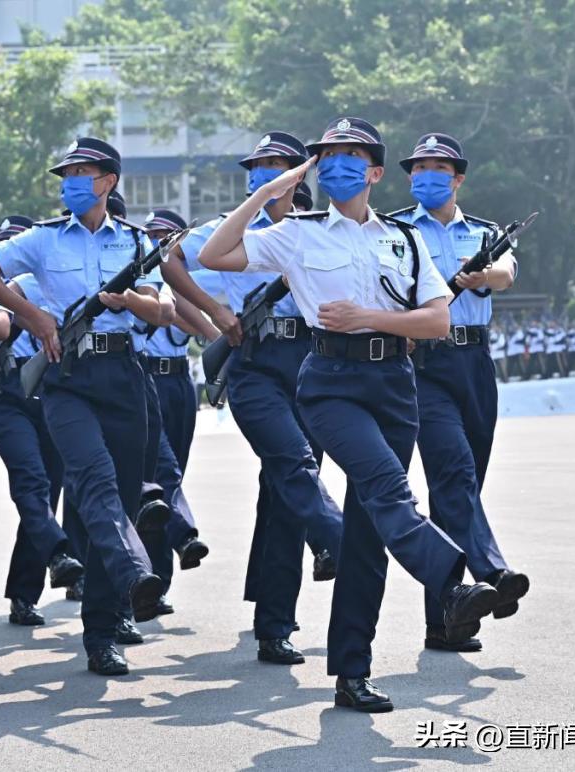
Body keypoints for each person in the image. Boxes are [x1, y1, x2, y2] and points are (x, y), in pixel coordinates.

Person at [199, 117, 504, 712]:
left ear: (375, 172)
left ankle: (352, 672)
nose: (336, 164)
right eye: (327, 155)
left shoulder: (404, 238)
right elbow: (216, 254)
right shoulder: (298, 232)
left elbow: (437, 320)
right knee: (388, 486)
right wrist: (270, 192)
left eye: (351, 155)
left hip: (394, 385)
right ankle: (451, 583)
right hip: (331, 383)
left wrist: (369, 318)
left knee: (367, 534)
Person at [0, 137, 168, 677]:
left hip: (123, 373)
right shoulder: (43, 239)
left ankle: (106, 624)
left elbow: (162, 311)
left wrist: (131, 300)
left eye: (82, 172)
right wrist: (31, 315)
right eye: (67, 174)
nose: (71, 182)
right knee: (95, 483)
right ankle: (130, 578)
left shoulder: (136, 241)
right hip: (67, 376)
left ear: (109, 181)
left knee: (122, 496)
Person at [162, 131, 343, 667]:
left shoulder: (322, 228)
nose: (263, 173)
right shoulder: (233, 228)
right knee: (294, 466)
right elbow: (173, 260)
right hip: (256, 363)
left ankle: (274, 619)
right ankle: (336, 541)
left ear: (298, 173)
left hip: (312, 360)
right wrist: (216, 312)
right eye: (257, 165)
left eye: (274, 164)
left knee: (286, 489)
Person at [392, 132, 530, 653]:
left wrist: (480, 276)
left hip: (474, 361)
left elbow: (507, 273)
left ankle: (448, 621)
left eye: (437, 168)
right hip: (424, 363)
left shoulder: (486, 232)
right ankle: (492, 571)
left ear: (458, 179)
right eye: (418, 168)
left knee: (461, 488)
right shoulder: (396, 230)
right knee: (454, 472)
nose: (425, 175)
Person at [0, 215, 85, 626]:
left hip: (54, 393)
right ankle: (58, 552)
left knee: (48, 492)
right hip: (10, 396)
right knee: (30, 481)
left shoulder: (52, 289)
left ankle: (25, 594)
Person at [138, 208, 214, 604]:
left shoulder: (187, 279)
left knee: (173, 475)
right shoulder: (138, 274)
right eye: (151, 235)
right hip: (145, 377)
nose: (156, 242)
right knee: (159, 474)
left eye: (164, 237)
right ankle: (158, 565)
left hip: (179, 381)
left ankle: (160, 580)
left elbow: (190, 323)